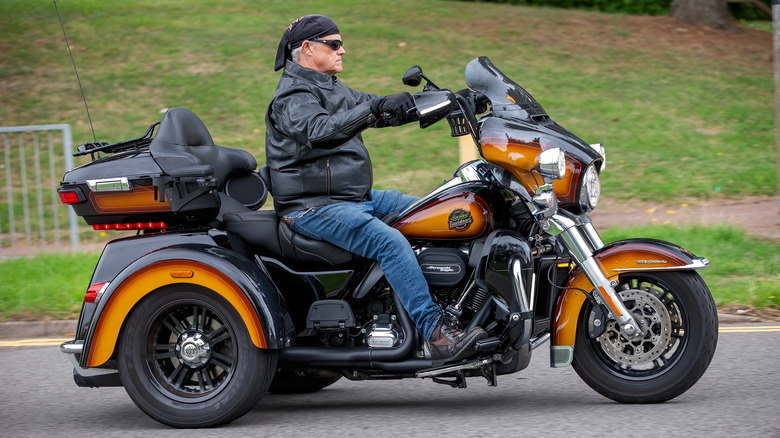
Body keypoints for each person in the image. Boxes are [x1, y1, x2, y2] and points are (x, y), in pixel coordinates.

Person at [265, 14, 486, 364]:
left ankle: (466, 307)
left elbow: (384, 110)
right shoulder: (293, 96)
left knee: (439, 209)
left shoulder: (332, 88)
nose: (343, 50)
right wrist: (372, 109)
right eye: (334, 44)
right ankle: (437, 334)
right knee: (389, 241)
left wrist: (450, 102)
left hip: (353, 199)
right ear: (306, 48)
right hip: (312, 208)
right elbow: (320, 130)